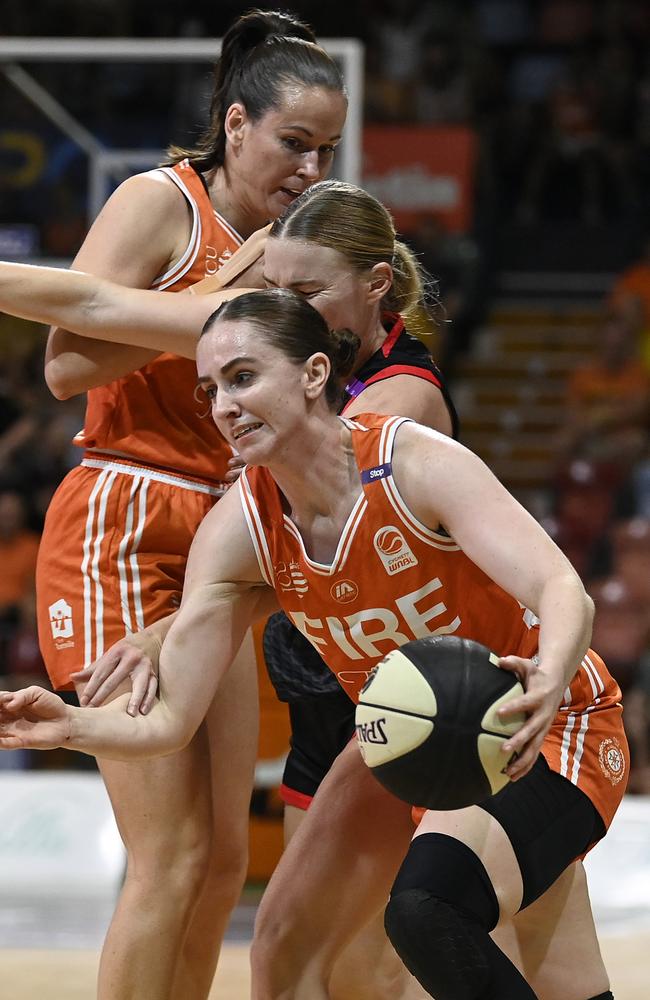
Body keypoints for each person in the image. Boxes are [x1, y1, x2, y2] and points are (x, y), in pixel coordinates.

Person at [0, 290, 627, 1000]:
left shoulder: (412, 462)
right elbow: (172, 719)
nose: (224, 406)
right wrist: (70, 723)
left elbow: (560, 588)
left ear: (313, 373)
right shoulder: (239, 530)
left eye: (243, 377)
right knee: (284, 950)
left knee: (428, 910)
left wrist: (548, 677)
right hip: (405, 743)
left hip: (541, 723)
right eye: (210, 390)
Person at [0, 179, 456, 999]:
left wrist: (561, 644)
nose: (286, 308)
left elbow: (334, 562)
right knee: (278, 943)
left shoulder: (399, 407)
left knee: (374, 954)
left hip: (406, 675)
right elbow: (90, 312)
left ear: (374, 284)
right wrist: (162, 634)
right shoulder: (279, 345)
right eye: (274, 289)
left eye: (306, 293)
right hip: (320, 661)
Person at [26, 10, 347, 1000]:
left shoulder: (293, 245)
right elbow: (65, 365)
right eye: (293, 142)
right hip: (125, 517)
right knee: (165, 858)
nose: (309, 165)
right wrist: (222, 289)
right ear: (236, 123)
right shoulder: (158, 201)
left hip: (223, 538)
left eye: (325, 149)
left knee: (217, 867)